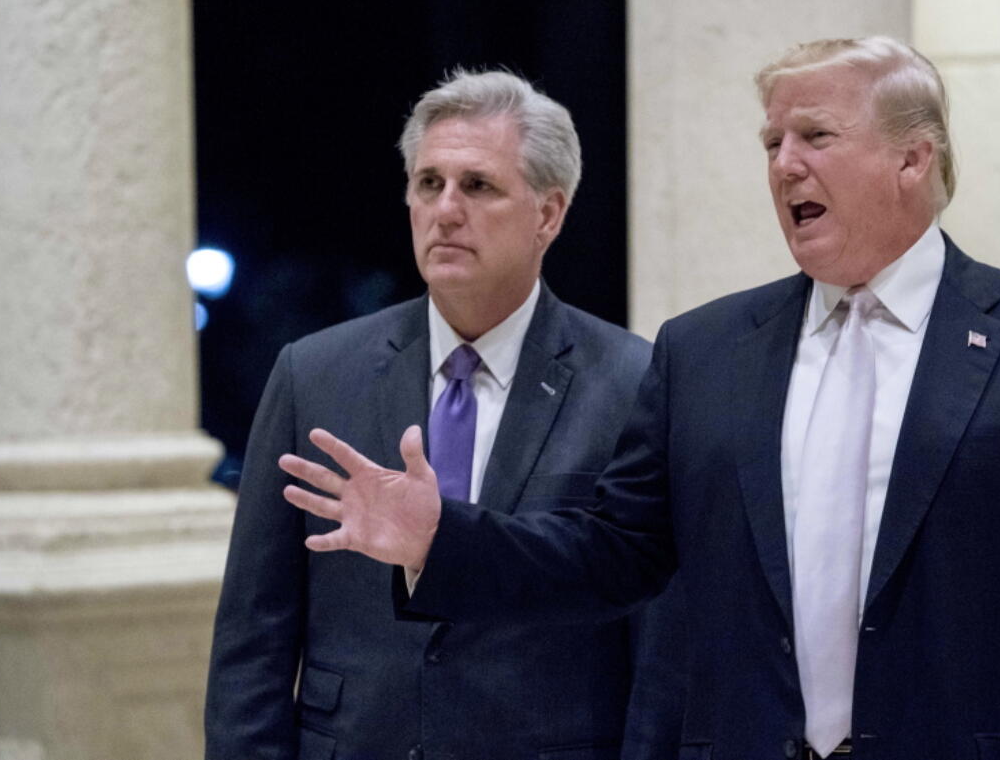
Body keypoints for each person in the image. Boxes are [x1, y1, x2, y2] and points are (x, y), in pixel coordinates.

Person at [281, 37, 1000, 760]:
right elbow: (611, 555)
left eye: (814, 136)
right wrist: (447, 540)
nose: (784, 164)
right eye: (771, 143)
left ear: (913, 156)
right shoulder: (705, 350)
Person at [205, 69, 674, 760]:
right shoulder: (315, 373)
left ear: (549, 213)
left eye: (478, 185)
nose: (446, 209)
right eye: (429, 183)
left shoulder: (634, 380)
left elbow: (658, 655)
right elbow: (253, 641)